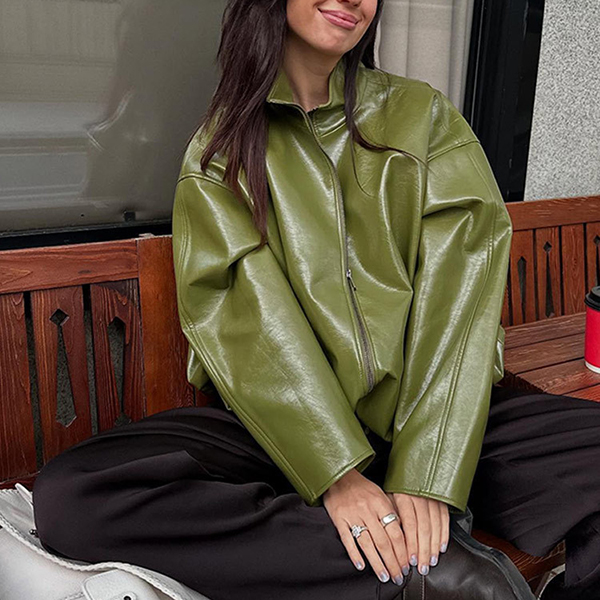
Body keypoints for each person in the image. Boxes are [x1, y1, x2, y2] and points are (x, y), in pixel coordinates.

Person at [31, 1, 600, 599]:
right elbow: (247, 325)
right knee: (75, 495)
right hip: (285, 436)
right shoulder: (220, 153)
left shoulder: (423, 118)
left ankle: (401, 549)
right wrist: (336, 473)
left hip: (433, 415)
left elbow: (460, 290)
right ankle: (423, 575)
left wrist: (428, 469)